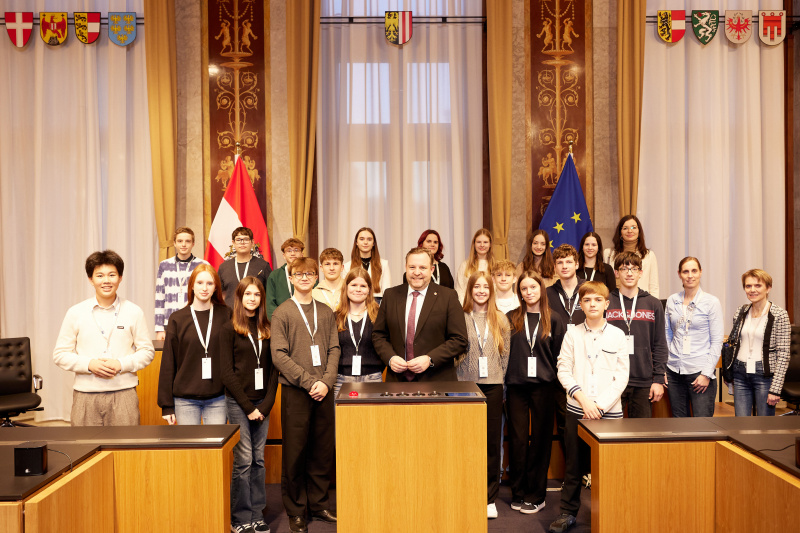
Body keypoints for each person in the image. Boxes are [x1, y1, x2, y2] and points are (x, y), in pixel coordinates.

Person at [551, 281, 629, 533]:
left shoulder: (618, 335)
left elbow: (622, 376)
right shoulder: (572, 333)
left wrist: (600, 406)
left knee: (609, 467)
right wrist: (584, 400)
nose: (592, 304)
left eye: (597, 300)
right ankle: (567, 513)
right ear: (580, 304)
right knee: (573, 465)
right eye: (587, 300)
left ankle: (613, 512)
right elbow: (563, 369)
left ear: (607, 304)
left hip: (609, 413)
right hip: (578, 410)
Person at [270, 257, 340, 533]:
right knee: (296, 453)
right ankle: (296, 509)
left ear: (316, 277)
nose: (305, 278)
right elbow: (278, 355)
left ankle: (319, 503)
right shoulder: (283, 313)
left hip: (323, 391)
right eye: (299, 274)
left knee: (322, 451)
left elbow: (334, 348)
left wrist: (326, 381)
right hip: (297, 392)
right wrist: (309, 382)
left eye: (310, 273)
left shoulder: (325, 311)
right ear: (291, 278)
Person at [53, 250, 154, 426]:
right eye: (100, 275)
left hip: (124, 394)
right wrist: (89, 365)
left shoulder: (134, 311)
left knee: (126, 449)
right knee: (84, 449)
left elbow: (147, 351)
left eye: (112, 275)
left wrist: (121, 364)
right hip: (85, 396)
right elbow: (60, 354)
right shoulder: (76, 312)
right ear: (91, 279)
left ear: (120, 277)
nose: (106, 281)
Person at [220, 277, 278, 533]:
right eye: (248, 294)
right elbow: (226, 372)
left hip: (262, 404)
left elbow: (275, 371)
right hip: (238, 404)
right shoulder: (229, 328)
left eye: (257, 294)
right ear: (240, 297)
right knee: (243, 461)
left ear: (261, 298)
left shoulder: (269, 327)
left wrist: (265, 406)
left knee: (259, 460)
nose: (252, 299)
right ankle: (241, 518)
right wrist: (248, 407)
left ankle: (257, 513)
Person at [506, 271, 566, 516]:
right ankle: (518, 492)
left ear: (541, 289)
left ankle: (536, 495)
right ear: (519, 292)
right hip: (516, 386)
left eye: (533, 287)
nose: (528, 292)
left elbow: (562, 357)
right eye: (524, 288)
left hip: (544, 386)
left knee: (540, 441)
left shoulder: (555, 319)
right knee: (518, 440)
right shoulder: (511, 318)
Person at [456, 271, 510, 519]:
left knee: (490, 442)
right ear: (470, 290)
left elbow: (505, 356)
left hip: (493, 386)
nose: (480, 291)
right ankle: (466, 490)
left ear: (491, 291)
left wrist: (499, 379)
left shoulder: (500, 319)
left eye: (485, 287)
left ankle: (489, 498)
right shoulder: (460, 317)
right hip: (466, 386)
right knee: (466, 441)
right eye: (476, 286)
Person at [373, 247, 468, 382]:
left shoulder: (448, 296)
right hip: (397, 382)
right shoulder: (390, 295)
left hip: (436, 380)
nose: (417, 272)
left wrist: (430, 359)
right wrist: (390, 357)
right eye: (412, 267)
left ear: (432, 269)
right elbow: (378, 335)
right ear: (406, 267)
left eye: (423, 267)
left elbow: (460, 339)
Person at [158, 264, 232, 425]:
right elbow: (168, 362)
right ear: (191, 286)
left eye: (210, 283)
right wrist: (167, 405)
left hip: (218, 398)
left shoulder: (226, 315)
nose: (204, 288)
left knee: (215, 448)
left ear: (215, 288)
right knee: (190, 449)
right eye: (199, 283)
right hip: (185, 399)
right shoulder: (177, 318)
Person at [605, 252, 668, 418]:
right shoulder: (606, 301)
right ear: (616, 273)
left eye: (634, 269)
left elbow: (660, 343)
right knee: (609, 433)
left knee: (640, 435)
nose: (629, 273)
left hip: (643, 380)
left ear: (641, 272)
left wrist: (658, 379)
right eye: (624, 269)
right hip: (611, 379)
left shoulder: (653, 303)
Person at [722, 269, 791, 417]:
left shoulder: (779, 314)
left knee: (764, 425)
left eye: (758, 286)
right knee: (741, 423)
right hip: (740, 373)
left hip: (764, 375)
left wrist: (775, 389)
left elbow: (784, 354)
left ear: (768, 288)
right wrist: (729, 373)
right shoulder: (741, 311)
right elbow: (734, 343)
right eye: (748, 286)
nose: (752, 290)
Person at [664, 257, 723, 418]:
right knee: (679, 421)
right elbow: (667, 335)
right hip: (674, 372)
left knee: (702, 425)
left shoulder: (711, 302)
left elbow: (717, 341)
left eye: (694, 271)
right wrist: (665, 366)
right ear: (679, 274)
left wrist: (706, 374)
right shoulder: (672, 301)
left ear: (700, 273)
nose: (690, 275)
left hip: (700, 373)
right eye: (685, 271)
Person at [332, 267, 384, 399]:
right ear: (346, 287)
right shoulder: (335, 317)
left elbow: (385, 346)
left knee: (371, 419)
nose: (358, 289)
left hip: (372, 378)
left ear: (369, 289)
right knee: (342, 420)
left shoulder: (379, 316)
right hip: (341, 380)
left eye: (363, 286)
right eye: (354, 285)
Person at [155, 227, 209, 340]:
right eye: (180, 241)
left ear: (193, 243)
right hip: (170, 322)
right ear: (174, 243)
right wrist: (159, 328)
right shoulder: (164, 265)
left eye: (187, 241)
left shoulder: (203, 265)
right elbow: (160, 297)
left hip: (195, 321)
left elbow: (208, 295)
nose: (183, 244)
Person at [603, 215, 659, 297]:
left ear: (639, 231)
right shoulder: (608, 254)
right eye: (625, 228)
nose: (630, 231)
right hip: (616, 301)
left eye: (633, 227)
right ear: (620, 232)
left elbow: (654, 286)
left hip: (641, 301)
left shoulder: (649, 255)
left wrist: (653, 306)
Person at [219, 227, 272, 308]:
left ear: (252, 242)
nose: (242, 242)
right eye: (238, 239)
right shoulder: (224, 267)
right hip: (230, 316)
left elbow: (270, 294)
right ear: (233, 243)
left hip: (255, 316)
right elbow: (220, 294)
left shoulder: (263, 266)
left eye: (246, 239)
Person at [342, 227, 391, 301]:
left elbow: (387, 292)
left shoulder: (383, 264)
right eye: (362, 239)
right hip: (355, 304)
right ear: (356, 242)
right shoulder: (347, 266)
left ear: (373, 243)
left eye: (369, 239)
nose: (365, 242)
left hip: (378, 304)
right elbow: (345, 292)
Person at [265, 237, 306, 320]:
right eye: (289, 251)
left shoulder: (308, 274)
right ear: (284, 255)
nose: (293, 253)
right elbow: (270, 304)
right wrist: (277, 322)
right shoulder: (275, 275)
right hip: (281, 321)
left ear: (302, 254)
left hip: (306, 320)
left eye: (296, 250)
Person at [456, 228, 496, 302]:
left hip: (491, 309)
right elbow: (460, 291)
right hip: (468, 310)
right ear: (474, 244)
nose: (482, 245)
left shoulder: (496, 266)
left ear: (490, 244)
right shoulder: (464, 266)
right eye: (478, 242)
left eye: (485, 242)